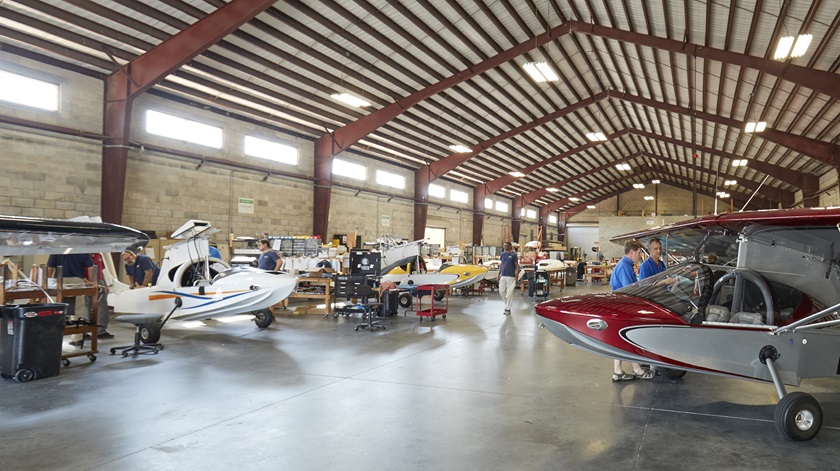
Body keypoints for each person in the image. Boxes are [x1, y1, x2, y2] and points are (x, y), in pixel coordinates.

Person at [609, 240, 655, 381]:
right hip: (624, 307)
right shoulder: (624, 267)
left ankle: (617, 371)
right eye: (640, 252)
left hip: (620, 307)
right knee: (631, 339)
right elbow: (629, 290)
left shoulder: (626, 265)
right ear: (632, 252)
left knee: (620, 340)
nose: (641, 255)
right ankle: (637, 369)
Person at [47, 253, 94, 346]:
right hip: (77, 281)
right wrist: (92, 282)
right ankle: (78, 338)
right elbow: (90, 268)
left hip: (60, 280)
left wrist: (46, 282)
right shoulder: (82, 250)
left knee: (55, 309)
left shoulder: (57, 249)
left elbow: (50, 268)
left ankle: (53, 335)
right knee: (78, 310)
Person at [498, 241, 519, 315]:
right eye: (504, 245)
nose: (504, 246)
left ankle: (508, 308)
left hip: (511, 275)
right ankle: (507, 303)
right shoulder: (503, 254)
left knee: (509, 292)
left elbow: (516, 265)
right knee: (501, 290)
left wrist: (517, 275)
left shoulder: (514, 255)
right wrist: (499, 274)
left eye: (506, 245)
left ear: (510, 246)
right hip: (503, 275)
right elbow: (501, 264)